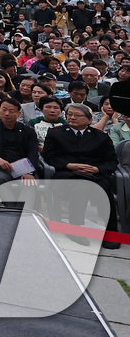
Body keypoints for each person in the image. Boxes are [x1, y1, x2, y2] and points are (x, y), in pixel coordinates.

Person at [43, 103, 121, 249]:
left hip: (94, 174)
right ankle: (75, 229)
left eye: (77, 115)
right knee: (80, 187)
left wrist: (97, 169)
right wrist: (69, 165)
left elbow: (111, 160)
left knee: (105, 191)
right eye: (70, 114)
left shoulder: (101, 137)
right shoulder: (55, 133)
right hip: (68, 174)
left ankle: (110, 233)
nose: (72, 117)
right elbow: (49, 156)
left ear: (90, 120)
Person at [0, 93, 42, 187]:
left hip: (23, 167)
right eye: (4, 110)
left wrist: (29, 172)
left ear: (19, 114)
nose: (7, 113)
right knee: (0, 179)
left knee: (29, 183)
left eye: (11, 111)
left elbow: (33, 152)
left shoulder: (28, 131)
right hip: (0, 167)